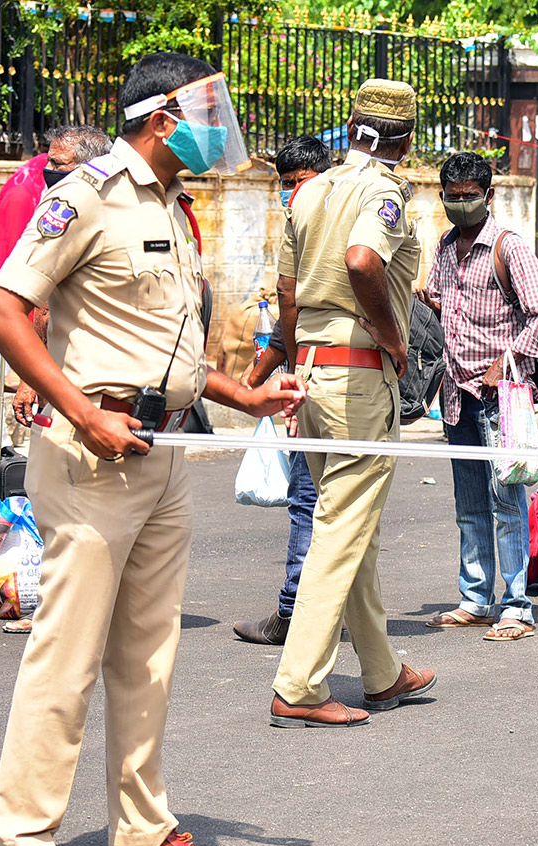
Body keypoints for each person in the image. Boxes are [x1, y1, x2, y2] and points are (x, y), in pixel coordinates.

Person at [0, 52, 307, 846]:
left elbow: (165, 346)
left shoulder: (174, 204)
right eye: (206, 109)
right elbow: (2, 311)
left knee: (149, 658)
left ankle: (142, 831)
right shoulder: (85, 197)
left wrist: (246, 393)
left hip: (162, 456)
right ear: (163, 118)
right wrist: (81, 411)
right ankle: (21, 842)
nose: (216, 127)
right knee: (68, 657)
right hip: (91, 456)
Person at [270, 78, 436, 727]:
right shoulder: (384, 191)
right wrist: (394, 338)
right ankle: (301, 685)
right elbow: (363, 260)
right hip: (359, 376)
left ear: (350, 125)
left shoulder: (309, 190)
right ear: (408, 138)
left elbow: (286, 292)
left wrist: (287, 364)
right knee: (341, 531)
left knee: (350, 525)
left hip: (310, 372)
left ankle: (381, 670)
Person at [418, 152, 538, 641]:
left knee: (507, 500)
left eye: (468, 197)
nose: (460, 205)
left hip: (500, 397)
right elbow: (444, 302)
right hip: (456, 393)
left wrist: (508, 360)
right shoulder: (444, 246)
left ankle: (516, 604)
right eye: (452, 198)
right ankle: (475, 598)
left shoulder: (508, 247)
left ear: (489, 195)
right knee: (469, 502)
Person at [233, 135, 333, 645]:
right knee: (340, 507)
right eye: (285, 186)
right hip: (328, 382)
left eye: (300, 183)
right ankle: (340, 617)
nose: (292, 194)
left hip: (326, 386)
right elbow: (286, 326)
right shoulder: (322, 224)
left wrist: (288, 381)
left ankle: (294, 614)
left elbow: (293, 315)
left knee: (308, 501)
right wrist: (251, 382)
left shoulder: (323, 232)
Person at [0, 126, 114, 429]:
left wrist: (29, 380)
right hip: (70, 376)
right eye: (49, 161)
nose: (48, 170)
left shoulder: (80, 209)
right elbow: (41, 307)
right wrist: (30, 380)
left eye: (58, 164)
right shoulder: (70, 208)